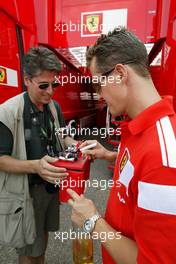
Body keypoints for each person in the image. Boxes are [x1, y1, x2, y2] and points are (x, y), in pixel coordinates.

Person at [67, 27, 176, 263]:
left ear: (120, 73)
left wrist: (93, 220)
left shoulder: (165, 158)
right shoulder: (138, 126)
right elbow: (141, 173)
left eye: (98, 85)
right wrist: (109, 155)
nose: (99, 96)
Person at [0, 46, 76, 264]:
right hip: (26, 193)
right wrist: (36, 166)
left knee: (41, 241)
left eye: (55, 84)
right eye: (44, 85)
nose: (51, 91)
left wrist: (78, 145)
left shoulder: (54, 107)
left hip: (50, 189)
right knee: (27, 248)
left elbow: (64, 136)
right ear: (27, 80)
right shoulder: (7, 112)